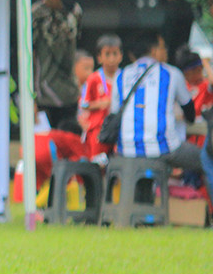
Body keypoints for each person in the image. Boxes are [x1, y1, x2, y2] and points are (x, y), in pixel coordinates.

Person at [110, 33, 213, 192]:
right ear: (153, 50)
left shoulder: (121, 75)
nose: (165, 51)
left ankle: (143, 206)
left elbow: (114, 112)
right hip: (164, 148)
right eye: (163, 47)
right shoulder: (171, 73)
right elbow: (190, 115)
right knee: (207, 160)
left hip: (126, 149)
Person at [31, 0, 83, 128]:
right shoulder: (35, 15)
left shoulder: (74, 11)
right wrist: (30, 98)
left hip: (70, 93)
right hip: (44, 94)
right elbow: (27, 56)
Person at [79, 34, 122, 158]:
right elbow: (83, 104)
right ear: (99, 58)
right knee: (98, 163)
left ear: (121, 56)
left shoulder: (125, 77)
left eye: (115, 54)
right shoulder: (94, 79)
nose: (112, 59)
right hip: (98, 130)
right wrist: (100, 103)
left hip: (119, 129)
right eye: (107, 54)